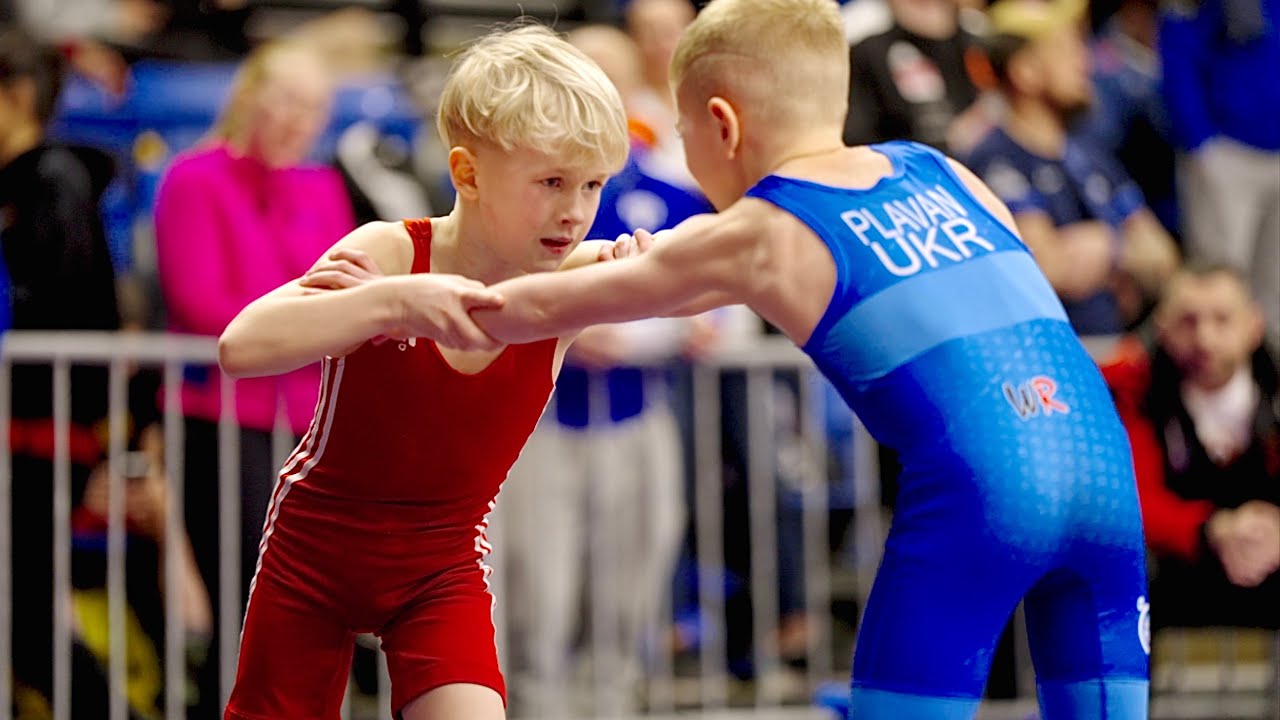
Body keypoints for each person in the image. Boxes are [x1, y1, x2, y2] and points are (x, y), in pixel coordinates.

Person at [461, 0, 1152, 716]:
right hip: (1104, 470)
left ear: (723, 125)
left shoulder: (763, 226)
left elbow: (529, 307)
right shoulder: (947, 170)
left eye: (683, 130)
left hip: (986, 494)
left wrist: (392, 285)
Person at [215, 24, 632, 720]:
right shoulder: (387, 251)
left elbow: (704, 273)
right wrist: (390, 302)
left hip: (438, 569)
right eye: (553, 182)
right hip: (313, 553)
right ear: (466, 173)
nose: (576, 211)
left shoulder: (575, 279)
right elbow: (241, 346)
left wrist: (669, 259)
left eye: (593, 184)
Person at [150, 37, 355, 718]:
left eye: (315, 106)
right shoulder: (194, 177)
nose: (301, 119)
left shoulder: (322, 184)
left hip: (306, 424)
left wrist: (301, 315)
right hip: (220, 417)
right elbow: (203, 302)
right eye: (288, 101)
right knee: (246, 602)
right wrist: (310, 314)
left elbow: (350, 293)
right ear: (250, 98)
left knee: (306, 613)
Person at [964, 0, 1178, 341]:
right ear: (1025, 71)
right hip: (1047, 358)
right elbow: (1050, 268)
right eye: (1066, 49)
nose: (1084, 61)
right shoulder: (994, 159)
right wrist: (1124, 251)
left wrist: (1109, 246)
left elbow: (1163, 258)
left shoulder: (1089, 153)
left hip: (1116, 350)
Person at [1102, 264, 1280, 631]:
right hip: (1177, 564)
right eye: (1188, 321)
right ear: (1163, 328)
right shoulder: (1135, 391)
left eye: (1222, 320)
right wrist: (1214, 530)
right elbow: (1134, 502)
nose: (1204, 339)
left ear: (1254, 325)